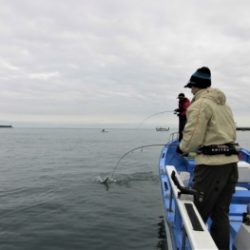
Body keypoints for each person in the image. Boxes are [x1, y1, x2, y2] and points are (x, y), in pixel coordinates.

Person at [177, 66, 239, 250]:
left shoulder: (200, 104)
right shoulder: (223, 104)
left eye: (191, 87)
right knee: (221, 213)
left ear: (196, 86)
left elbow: (192, 136)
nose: (191, 90)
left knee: (197, 213)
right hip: (230, 164)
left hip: (211, 167)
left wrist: (182, 149)